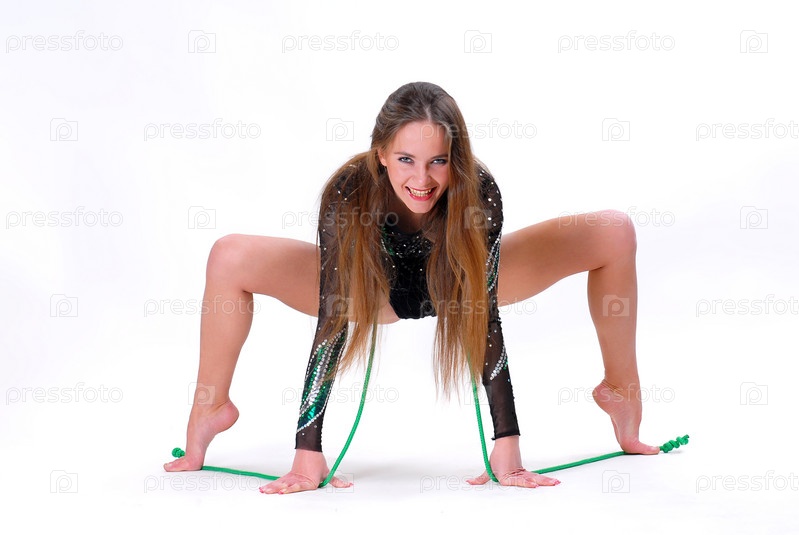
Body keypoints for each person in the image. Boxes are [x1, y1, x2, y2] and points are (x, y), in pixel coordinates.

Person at [163, 81, 660, 495]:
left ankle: (621, 390)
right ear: (380, 152)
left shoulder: (478, 191)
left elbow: (482, 311)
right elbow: (334, 314)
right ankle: (211, 407)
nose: (422, 179)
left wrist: (506, 443)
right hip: (369, 291)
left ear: (455, 158)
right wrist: (306, 451)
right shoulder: (347, 191)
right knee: (228, 255)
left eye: (438, 161)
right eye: (405, 159)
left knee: (614, 231)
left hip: (455, 285)